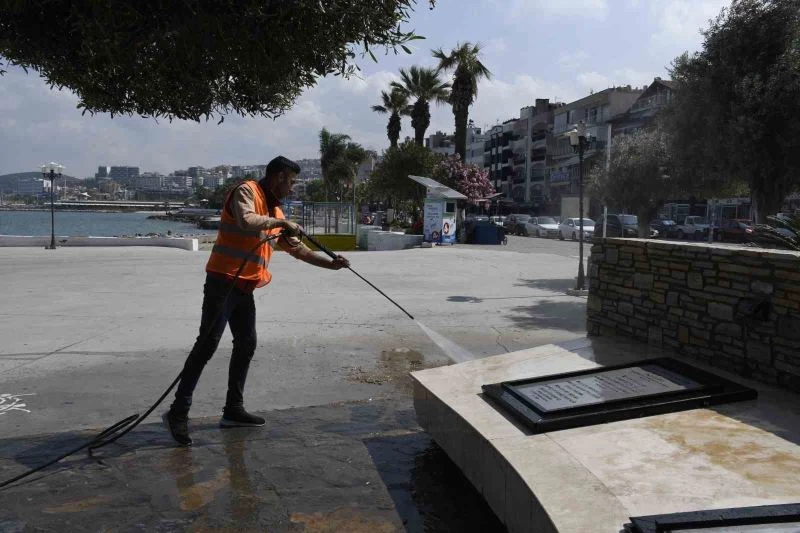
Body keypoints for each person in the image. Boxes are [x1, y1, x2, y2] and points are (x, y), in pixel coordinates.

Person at [163, 156, 350, 446]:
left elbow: (297, 250)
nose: (292, 188)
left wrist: (331, 263)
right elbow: (246, 219)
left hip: (244, 287)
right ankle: (178, 412)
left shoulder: (274, 209)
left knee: (246, 343)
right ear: (277, 176)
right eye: (291, 181)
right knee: (207, 344)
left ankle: (233, 410)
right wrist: (281, 221)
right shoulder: (246, 191)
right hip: (222, 282)